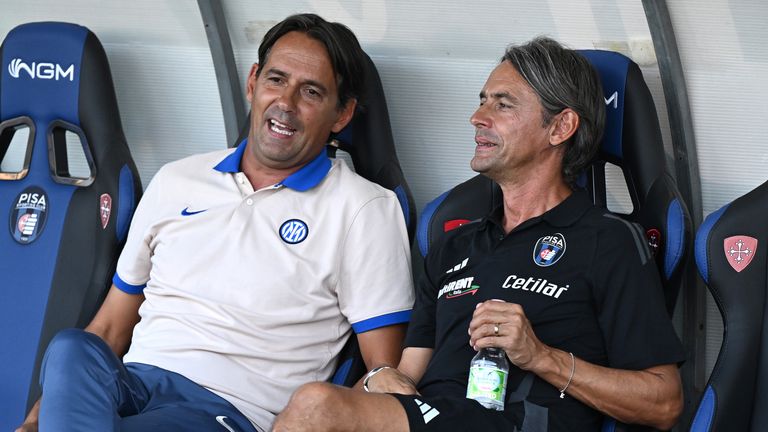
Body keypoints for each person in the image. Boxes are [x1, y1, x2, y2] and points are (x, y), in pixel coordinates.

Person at [16, 13, 414, 432]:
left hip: (226, 411)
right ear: (252, 82)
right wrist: (31, 422)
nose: (286, 103)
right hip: (131, 388)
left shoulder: (363, 208)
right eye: (276, 80)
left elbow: (381, 368)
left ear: (342, 114)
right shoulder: (176, 179)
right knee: (72, 347)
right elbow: (112, 324)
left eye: (311, 92)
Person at [272, 37, 685, 432]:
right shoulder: (453, 246)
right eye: (482, 101)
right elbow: (407, 375)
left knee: (315, 405)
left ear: (560, 127)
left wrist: (541, 357)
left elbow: (664, 403)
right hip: (435, 416)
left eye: (502, 105)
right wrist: (377, 380)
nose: (477, 118)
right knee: (319, 405)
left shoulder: (609, 242)